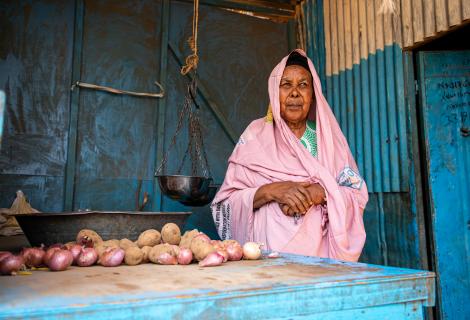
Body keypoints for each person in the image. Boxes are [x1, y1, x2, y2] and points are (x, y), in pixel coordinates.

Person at [211, 49, 368, 262]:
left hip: (322, 264)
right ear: (275, 93)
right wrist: (271, 191)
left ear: (313, 95)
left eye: (303, 85)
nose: (294, 93)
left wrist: (321, 192)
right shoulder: (254, 135)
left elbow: (357, 194)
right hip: (266, 262)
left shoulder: (329, 140)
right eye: (286, 85)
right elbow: (225, 204)